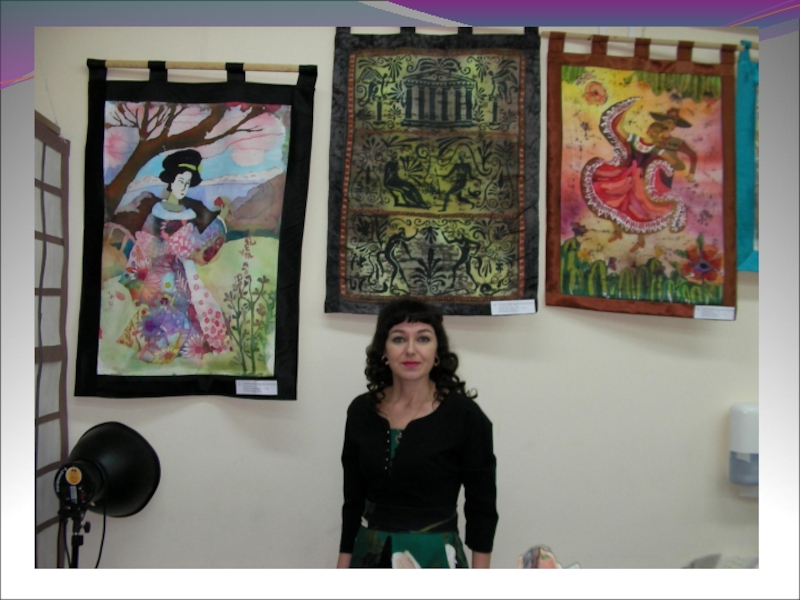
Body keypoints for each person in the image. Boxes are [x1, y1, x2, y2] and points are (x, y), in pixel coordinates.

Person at [337, 299, 498, 568]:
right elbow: (353, 502)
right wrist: (342, 568)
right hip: (370, 555)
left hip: (435, 556)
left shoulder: (465, 416)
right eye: (399, 339)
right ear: (384, 351)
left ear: (437, 352)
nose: (410, 350)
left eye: (423, 338)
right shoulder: (360, 411)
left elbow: (482, 509)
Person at [117, 149, 232, 364]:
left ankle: (178, 351)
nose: (183, 187)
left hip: (183, 273)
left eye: (187, 183)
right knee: (163, 311)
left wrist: (220, 220)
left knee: (193, 307)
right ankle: (155, 350)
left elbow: (199, 249)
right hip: (158, 274)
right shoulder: (156, 212)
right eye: (180, 181)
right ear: (171, 181)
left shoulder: (188, 215)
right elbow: (144, 246)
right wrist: (138, 275)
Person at [581, 97, 687, 253]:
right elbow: (620, 129)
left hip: (641, 181)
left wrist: (664, 165)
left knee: (639, 210)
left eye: (657, 133)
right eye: (653, 130)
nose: (654, 134)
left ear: (659, 135)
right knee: (615, 202)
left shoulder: (657, 149)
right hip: (625, 175)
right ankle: (617, 232)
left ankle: (640, 241)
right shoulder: (636, 139)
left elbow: (678, 164)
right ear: (649, 130)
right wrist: (624, 111)